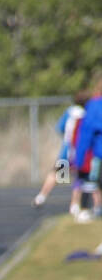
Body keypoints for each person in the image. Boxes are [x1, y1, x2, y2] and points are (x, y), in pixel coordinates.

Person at [33, 92, 87, 214]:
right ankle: (74, 204)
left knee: (57, 174)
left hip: (67, 149)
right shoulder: (86, 113)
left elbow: (60, 128)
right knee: (79, 176)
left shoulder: (70, 112)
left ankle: (41, 196)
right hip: (79, 149)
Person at [73, 76, 102, 220]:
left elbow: (84, 135)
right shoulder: (77, 114)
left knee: (86, 181)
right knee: (61, 177)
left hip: (91, 153)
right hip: (73, 154)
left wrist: (78, 158)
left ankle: (78, 207)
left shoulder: (91, 108)